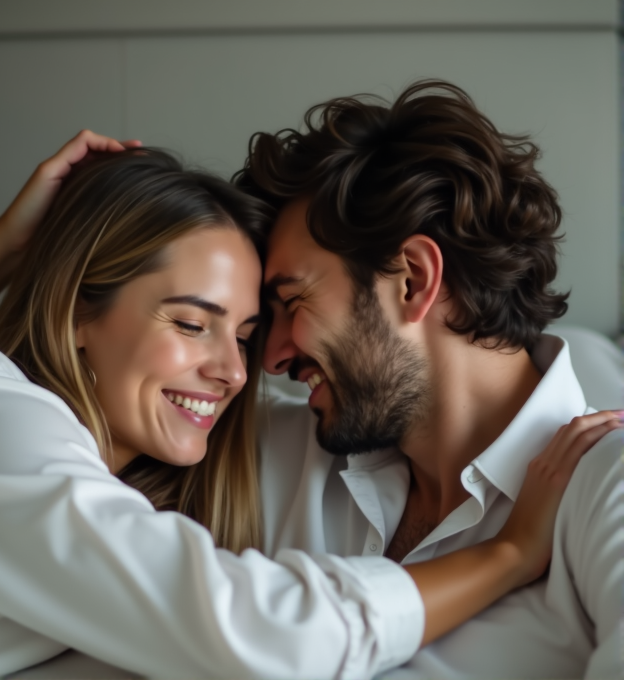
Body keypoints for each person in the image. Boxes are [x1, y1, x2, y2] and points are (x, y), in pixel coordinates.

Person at [0, 130, 618, 679]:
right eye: (191, 323)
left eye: (283, 309)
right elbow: (267, 630)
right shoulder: (252, 447)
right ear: (74, 314)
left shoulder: (600, 485)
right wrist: (3, 252)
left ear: (412, 279)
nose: (252, 368)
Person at [235, 80, 624, 678]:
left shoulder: (608, 487)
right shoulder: (267, 451)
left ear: (413, 278)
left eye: (294, 301)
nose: (273, 358)